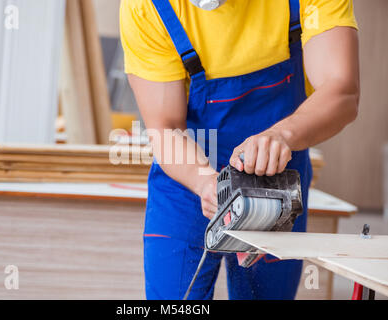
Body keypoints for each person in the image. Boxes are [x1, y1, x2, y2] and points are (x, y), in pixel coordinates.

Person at [120, 0, 359, 299]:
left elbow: (342, 92)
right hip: (189, 180)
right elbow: (165, 129)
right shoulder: (148, 7)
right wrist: (205, 183)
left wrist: (281, 136)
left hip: (276, 184)